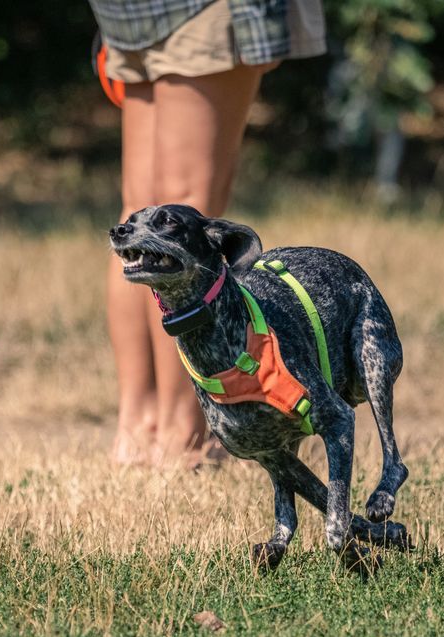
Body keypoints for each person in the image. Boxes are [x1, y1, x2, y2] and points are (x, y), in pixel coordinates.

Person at [89, 0, 325, 468]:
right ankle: (184, 437)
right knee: (187, 204)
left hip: (130, 13)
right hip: (199, 12)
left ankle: (137, 430)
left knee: (139, 215)